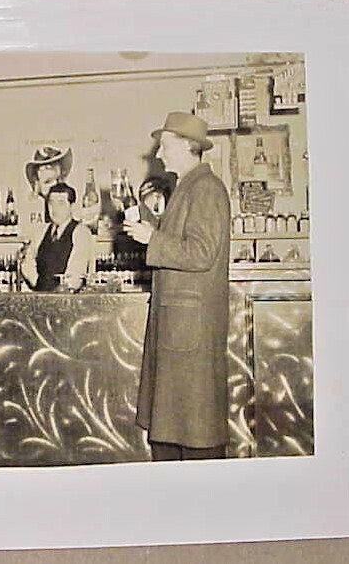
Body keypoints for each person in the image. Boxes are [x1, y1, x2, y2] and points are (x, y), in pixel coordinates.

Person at [123, 111, 231, 461]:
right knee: (176, 429)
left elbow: (201, 252)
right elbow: (185, 243)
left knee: (195, 431)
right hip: (181, 329)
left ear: (188, 146)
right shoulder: (188, 187)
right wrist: (149, 226)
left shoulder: (206, 189)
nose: (158, 154)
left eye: (165, 146)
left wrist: (152, 238)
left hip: (189, 333)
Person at [21, 182, 93, 291]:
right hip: (41, 296)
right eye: (51, 203)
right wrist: (39, 284)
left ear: (72, 207)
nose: (55, 209)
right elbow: (27, 263)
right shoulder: (41, 232)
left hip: (68, 298)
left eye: (61, 203)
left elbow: (77, 272)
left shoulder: (81, 232)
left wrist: (62, 290)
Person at [25, 146, 73, 221]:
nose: (54, 188)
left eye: (57, 181)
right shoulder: (33, 206)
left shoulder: (68, 200)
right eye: (48, 182)